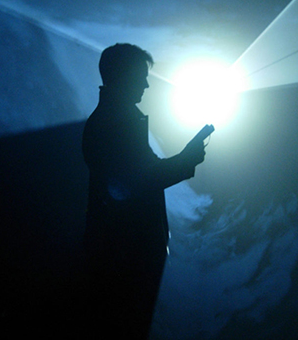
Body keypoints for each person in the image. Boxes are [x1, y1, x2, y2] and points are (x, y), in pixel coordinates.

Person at [82, 43, 208, 338]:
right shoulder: (112, 125)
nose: (147, 84)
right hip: (124, 260)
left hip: (125, 256)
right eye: (140, 75)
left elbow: (141, 175)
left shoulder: (117, 121)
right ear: (122, 76)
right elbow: (137, 181)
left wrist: (184, 160)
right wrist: (186, 159)